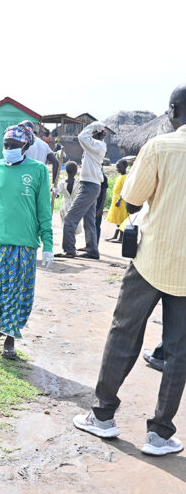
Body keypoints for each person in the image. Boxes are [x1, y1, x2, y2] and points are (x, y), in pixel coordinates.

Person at [73, 83, 186, 456]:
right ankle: (159, 434)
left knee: (124, 333)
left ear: (172, 111)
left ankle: (103, 416)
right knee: (178, 351)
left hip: (151, 258)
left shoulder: (160, 146)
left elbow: (132, 199)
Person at [0, 124, 53, 359]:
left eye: (13, 146)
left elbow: (44, 210)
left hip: (25, 243)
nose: (8, 149)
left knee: (16, 295)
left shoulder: (38, 171)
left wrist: (48, 245)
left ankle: (9, 339)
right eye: (6, 145)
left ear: (25, 146)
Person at [56, 121, 107, 260]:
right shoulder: (95, 147)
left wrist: (94, 126)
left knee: (69, 219)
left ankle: (69, 250)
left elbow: (81, 136)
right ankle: (92, 251)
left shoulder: (97, 145)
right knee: (89, 221)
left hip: (89, 186)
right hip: (91, 185)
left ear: (96, 134)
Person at [105, 160, 129, 242]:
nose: (117, 168)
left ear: (125, 167)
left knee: (121, 219)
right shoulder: (120, 177)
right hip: (116, 200)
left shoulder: (126, 177)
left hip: (121, 201)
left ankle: (121, 238)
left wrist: (119, 199)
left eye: (119, 167)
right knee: (117, 219)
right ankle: (115, 236)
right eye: (117, 167)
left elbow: (125, 190)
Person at [53, 161, 80, 229]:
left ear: (66, 171)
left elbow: (57, 194)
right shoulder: (79, 182)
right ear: (76, 171)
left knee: (66, 226)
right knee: (74, 227)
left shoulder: (61, 183)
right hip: (75, 205)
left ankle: (67, 239)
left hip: (65, 205)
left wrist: (53, 189)